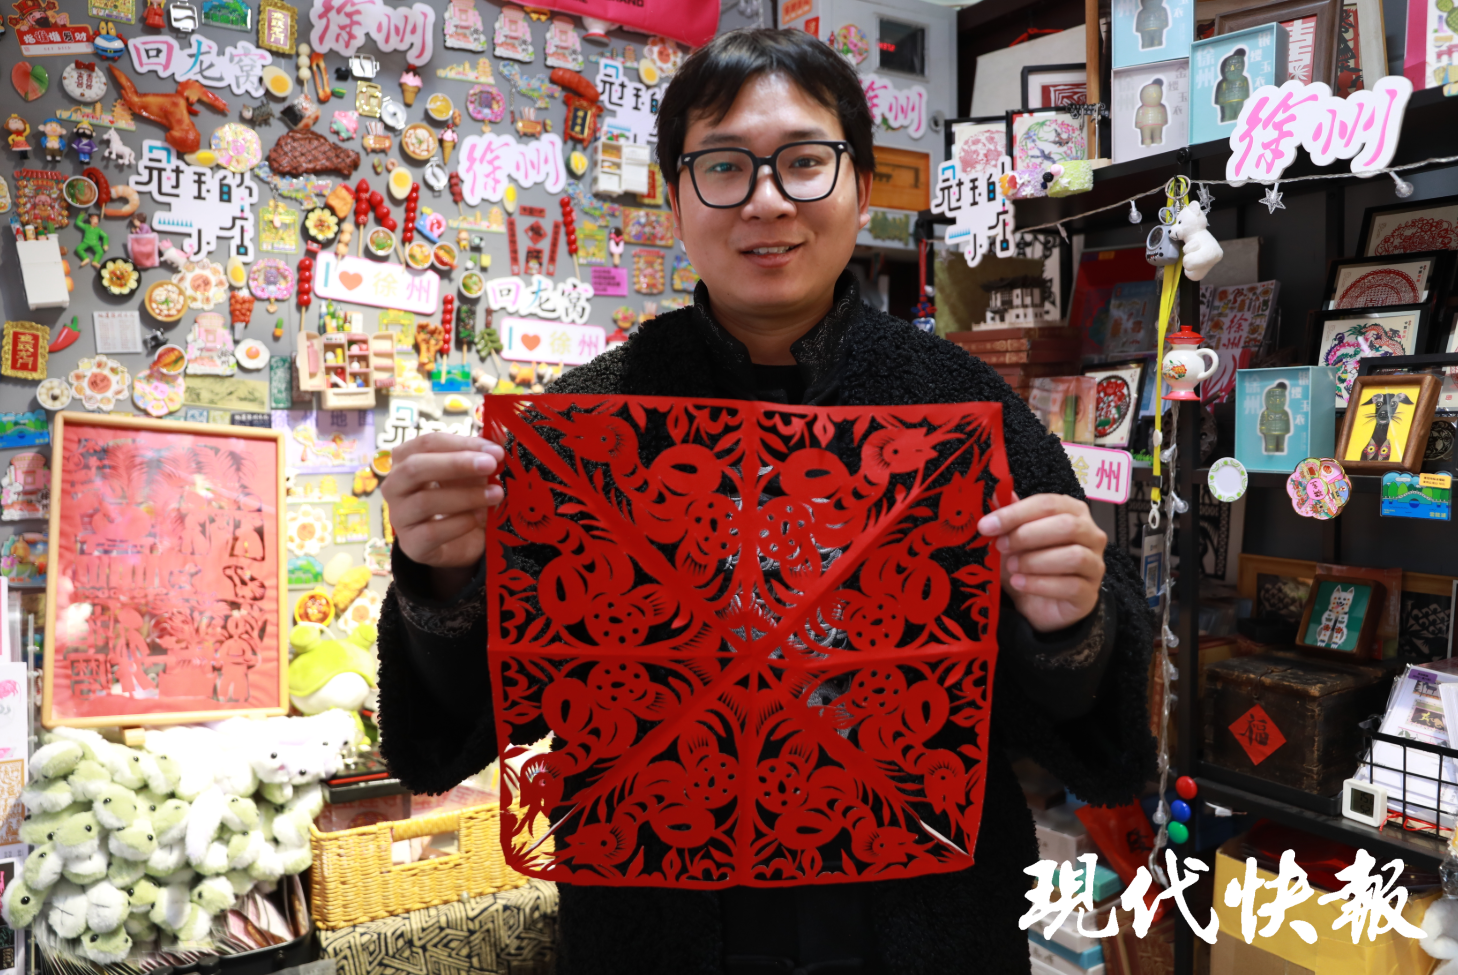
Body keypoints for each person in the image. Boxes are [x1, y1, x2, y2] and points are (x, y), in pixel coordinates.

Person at [378, 28, 1154, 975]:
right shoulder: (586, 427)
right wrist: (442, 580)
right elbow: (462, 729)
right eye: (722, 167)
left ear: (861, 186)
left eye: (803, 162)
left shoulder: (959, 409)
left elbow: (1091, 737)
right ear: (673, 199)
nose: (766, 200)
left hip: (920, 923)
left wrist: (1068, 621)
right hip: (657, 926)